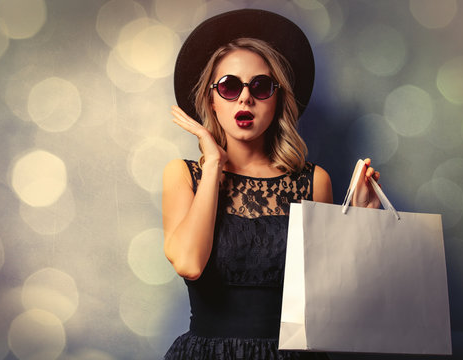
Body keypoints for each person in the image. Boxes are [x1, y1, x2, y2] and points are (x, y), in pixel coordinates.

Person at [162, 9, 381, 360]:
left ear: (278, 99)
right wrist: (215, 163)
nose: (245, 98)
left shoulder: (314, 181)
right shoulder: (183, 175)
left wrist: (362, 222)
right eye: (230, 86)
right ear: (211, 100)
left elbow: (327, 298)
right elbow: (189, 263)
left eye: (261, 86)